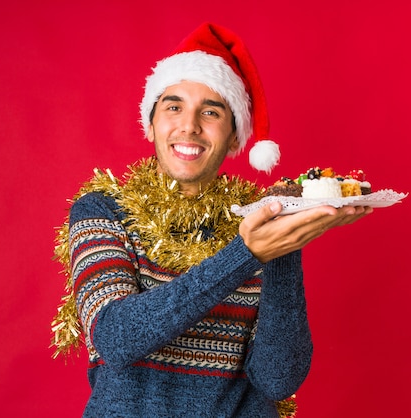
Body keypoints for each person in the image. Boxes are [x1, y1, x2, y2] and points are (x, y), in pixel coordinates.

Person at [51, 22, 372, 417]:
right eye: (173, 107)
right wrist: (246, 253)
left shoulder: (259, 218)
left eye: (211, 111)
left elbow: (277, 379)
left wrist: (284, 245)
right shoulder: (103, 209)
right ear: (150, 123)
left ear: (234, 136)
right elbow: (116, 338)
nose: (189, 125)